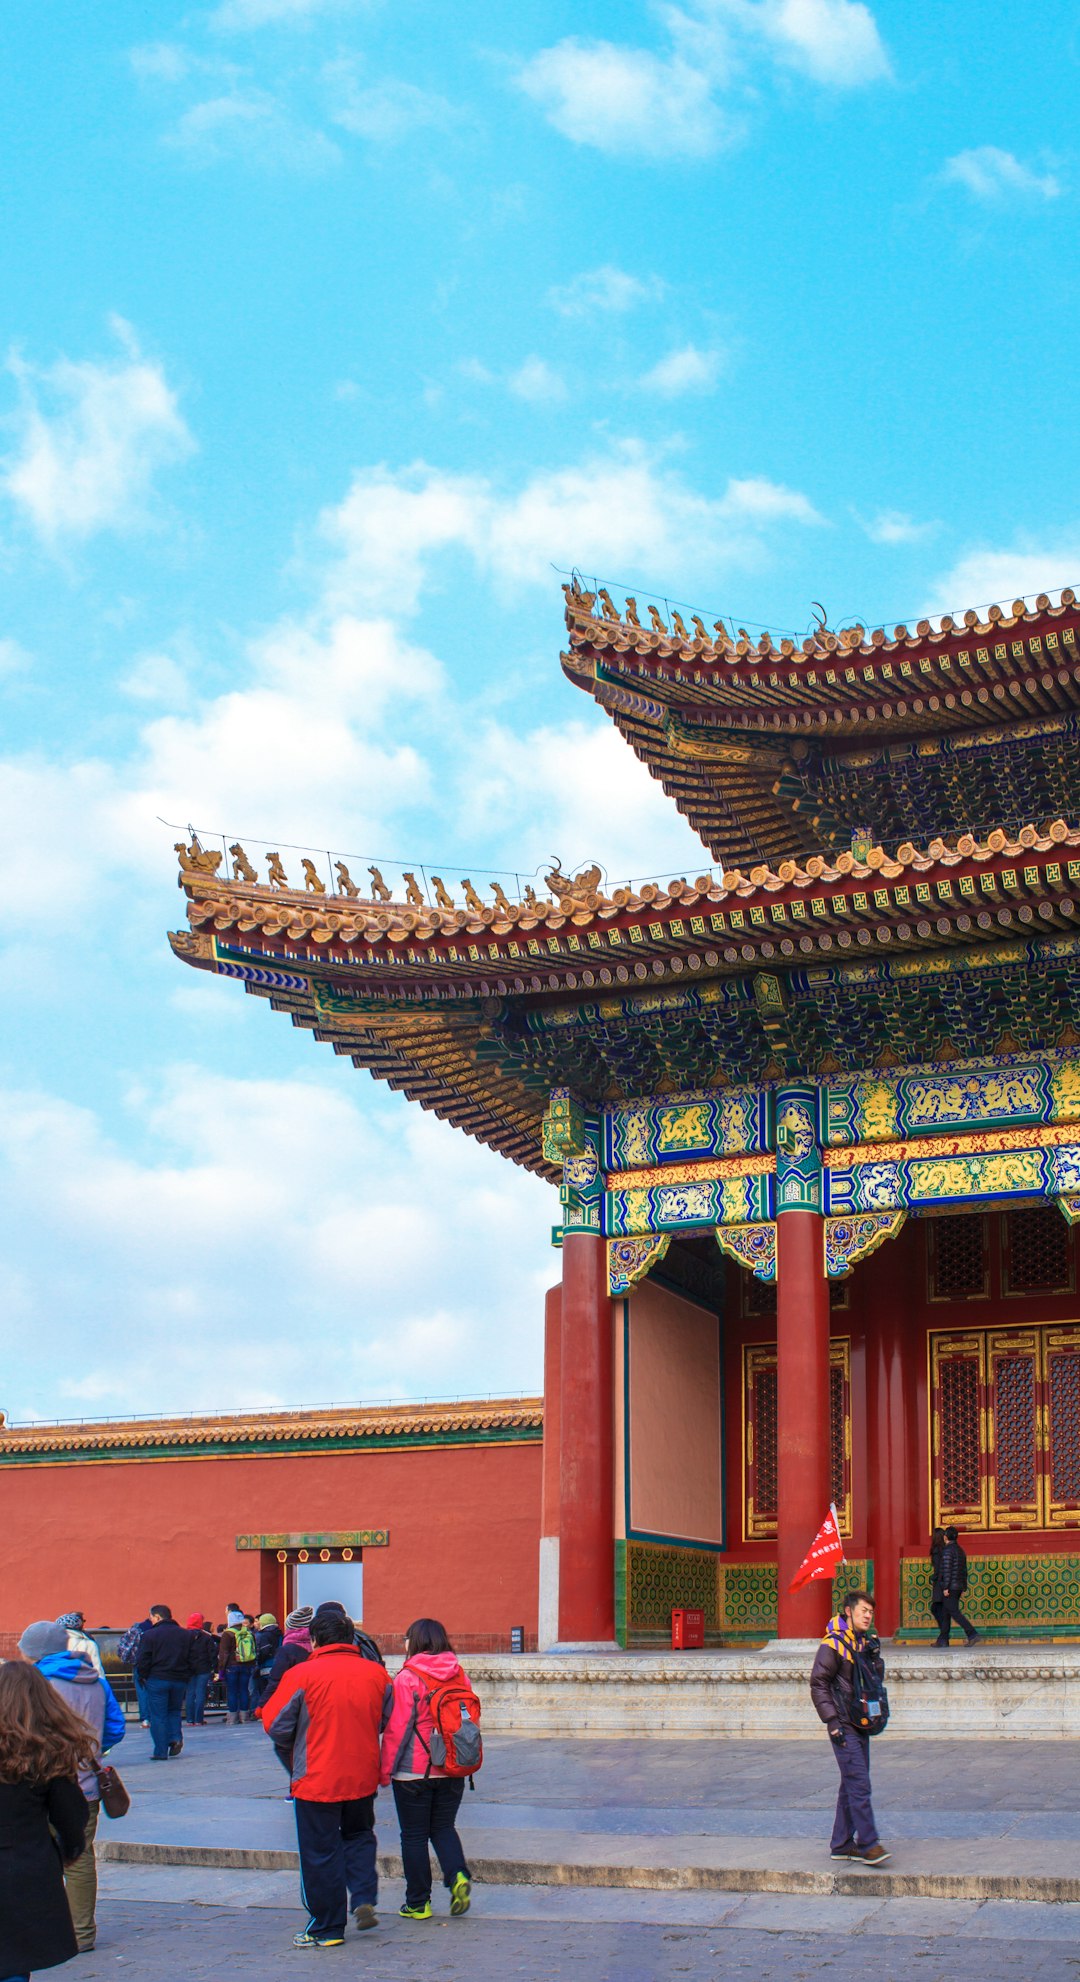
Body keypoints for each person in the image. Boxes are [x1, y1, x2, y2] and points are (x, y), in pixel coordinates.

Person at [258, 1606, 391, 1949]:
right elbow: (388, 1718)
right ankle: (363, 1894)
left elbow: (276, 1725)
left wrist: (300, 1744)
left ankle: (327, 1927)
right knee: (360, 1836)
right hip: (361, 1774)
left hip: (316, 1776)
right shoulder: (376, 1675)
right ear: (350, 1638)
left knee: (320, 1851)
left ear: (315, 1639)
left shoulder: (302, 1674)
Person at [19, 1618, 126, 1955]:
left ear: (34, 1651)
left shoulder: (37, 1682)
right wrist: (93, 1751)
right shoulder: (95, 1679)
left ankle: (44, 1926)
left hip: (41, 1782)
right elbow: (115, 1727)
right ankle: (82, 1933)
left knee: (36, 1854)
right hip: (87, 1784)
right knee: (80, 1856)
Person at [0, 1661, 92, 1982]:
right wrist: (68, 1849)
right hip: (23, 1866)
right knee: (13, 1962)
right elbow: (71, 1815)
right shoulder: (47, 1750)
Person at [381, 1617, 473, 1920]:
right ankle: (458, 1875)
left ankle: (418, 1903)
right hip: (452, 1765)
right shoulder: (458, 1673)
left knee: (414, 1836)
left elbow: (397, 1729)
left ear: (415, 1641)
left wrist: (385, 1770)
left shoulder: (407, 1677)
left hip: (414, 1771)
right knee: (444, 1828)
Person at [809, 1588, 890, 1866]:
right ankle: (869, 1844)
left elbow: (873, 1681)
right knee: (859, 1782)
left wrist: (873, 1657)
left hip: (861, 1720)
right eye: (863, 1611)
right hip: (842, 1723)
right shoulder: (832, 1645)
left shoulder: (863, 1642)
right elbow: (818, 1684)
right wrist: (831, 1721)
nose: (868, 1616)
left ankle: (842, 1843)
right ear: (848, 1611)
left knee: (851, 1781)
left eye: (871, 1612)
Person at [135, 1604, 193, 1760]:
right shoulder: (185, 1635)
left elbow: (143, 1659)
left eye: (152, 1617)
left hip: (157, 1678)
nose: (151, 1620)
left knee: (158, 1716)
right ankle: (175, 1738)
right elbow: (191, 1658)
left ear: (158, 1617)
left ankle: (160, 1751)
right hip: (179, 1679)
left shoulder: (150, 1635)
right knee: (174, 1711)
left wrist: (143, 1676)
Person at [938, 1526, 980, 1647]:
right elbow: (964, 1570)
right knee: (946, 1612)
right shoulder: (960, 1550)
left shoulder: (947, 1551)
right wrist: (963, 1587)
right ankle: (943, 1639)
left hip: (950, 1587)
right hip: (958, 1586)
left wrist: (945, 1587)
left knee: (954, 1612)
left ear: (946, 1537)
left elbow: (947, 1570)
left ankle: (972, 1633)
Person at [218, 1606, 258, 1722]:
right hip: (246, 1665)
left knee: (232, 1691)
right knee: (244, 1690)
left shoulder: (228, 1633)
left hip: (232, 1666)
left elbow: (223, 1653)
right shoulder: (248, 1632)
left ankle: (233, 1717)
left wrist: (221, 1669)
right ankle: (245, 1716)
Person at [264, 1605, 313, 1696]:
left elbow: (276, 1679)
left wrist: (262, 1704)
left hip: (291, 1696)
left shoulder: (287, 1650)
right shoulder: (316, 1645)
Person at [184, 1614, 217, 1726]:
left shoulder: (184, 1636)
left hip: (188, 1669)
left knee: (190, 1693)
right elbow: (212, 1654)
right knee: (200, 1693)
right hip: (203, 1668)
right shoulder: (206, 1637)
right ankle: (198, 1719)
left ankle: (189, 1719)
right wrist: (214, 1667)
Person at [55, 1611, 107, 1683]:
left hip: (59, 1684)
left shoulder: (54, 1643)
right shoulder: (89, 1644)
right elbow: (97, 1669)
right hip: (85, 1684)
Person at [252, 1613, 283, 1707]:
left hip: (266, 1666)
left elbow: (264, 1651)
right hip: (279, 1664)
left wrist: (258, 1662)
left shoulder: (264, 1635)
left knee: (265, 1690)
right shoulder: (280, 1634)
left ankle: (266, 1710)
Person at [929, 1526, 947, 1642]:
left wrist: (933, 1577)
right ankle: (944, 1635)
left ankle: (944, 1634)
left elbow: (938, 1568)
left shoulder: (936, 1550)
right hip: (945, 1582)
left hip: (939, 1583)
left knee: (936, 1608)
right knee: (942, 1610)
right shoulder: (945, 1549)